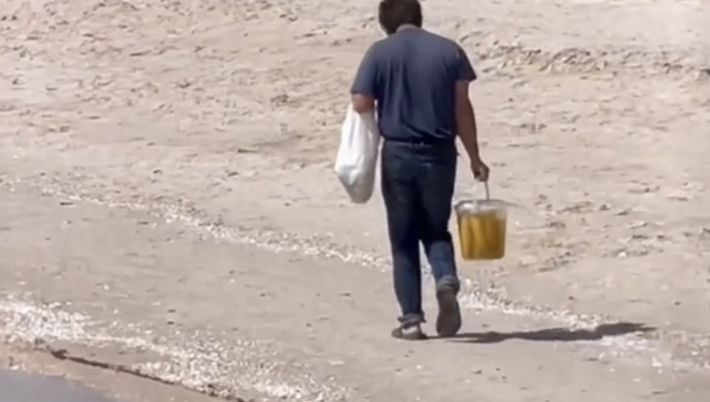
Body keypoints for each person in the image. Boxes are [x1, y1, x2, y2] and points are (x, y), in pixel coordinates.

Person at [350, 0, 489, 340]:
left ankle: (411, 321)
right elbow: (462, 108)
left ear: (386, 21)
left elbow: (361, 101)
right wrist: (475, 157)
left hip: (399, 153)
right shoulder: (450, 51)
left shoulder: (380, 52)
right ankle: (445, 279)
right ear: (418, 16)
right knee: (436, 228)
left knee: (403, 237)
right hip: (440, 153)